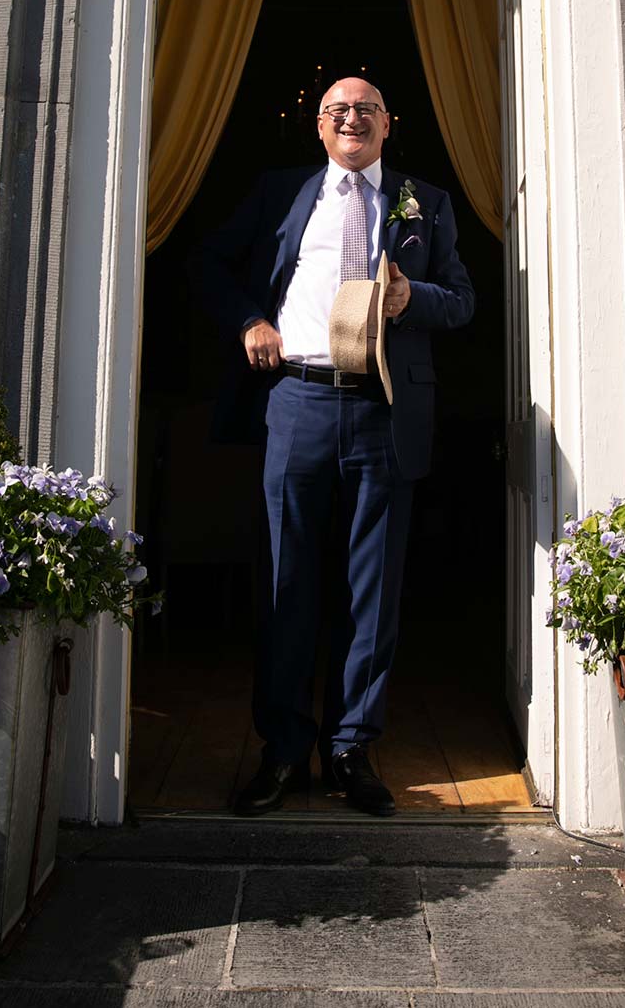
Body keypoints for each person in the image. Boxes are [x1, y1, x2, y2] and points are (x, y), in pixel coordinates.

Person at [194, 77, 475, 816]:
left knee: (371, 589)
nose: (352, 119)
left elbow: (463, 298)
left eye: (366, 110)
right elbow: (211, 264)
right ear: (319, 127)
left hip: (384, 407)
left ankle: (351, 748)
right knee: (288, 580)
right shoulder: (282, 192)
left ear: (388, 124)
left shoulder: (426, 200)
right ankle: (283, 748)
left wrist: (416, 298)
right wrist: (251, 321)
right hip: (298, 399)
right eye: (337, 110)